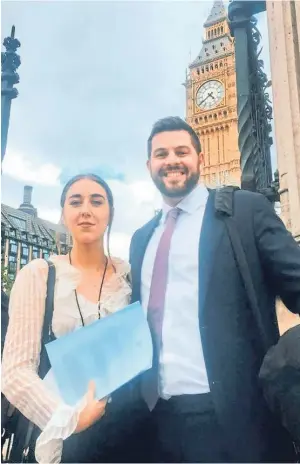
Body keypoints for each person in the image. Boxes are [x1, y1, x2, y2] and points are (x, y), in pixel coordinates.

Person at [129, 117, 300, 463]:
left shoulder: (244, 213)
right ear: (149, 166)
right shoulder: (142, 238)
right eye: (161, 154)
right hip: (156, 418)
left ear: (200, 159)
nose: (172, 160)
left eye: (182, 151)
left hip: (232, 418)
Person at [2, 174, 149, 464]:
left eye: (96, 201)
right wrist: (71, 419)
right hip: (65, 438)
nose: (85, 209)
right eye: (75, 201)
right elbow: (15, 372)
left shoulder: (130, 278)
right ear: (64, 213)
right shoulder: (40, 275)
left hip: (131, 434)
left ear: (110, 214)